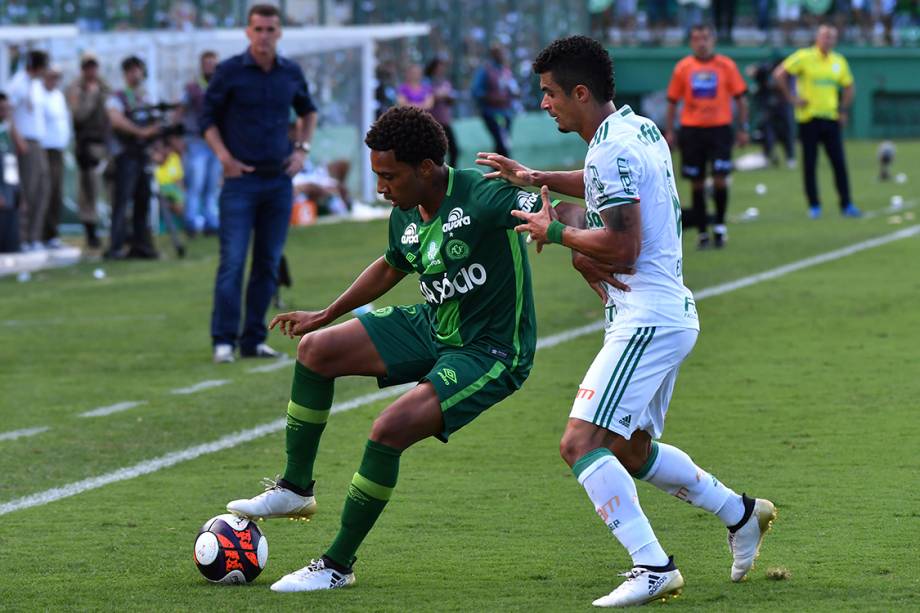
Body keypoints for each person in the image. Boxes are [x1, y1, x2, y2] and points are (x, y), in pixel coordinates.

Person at [476, 35, 775, 608]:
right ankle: (741, 514)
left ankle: (653, 566)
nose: (544, 103)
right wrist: (534, 177)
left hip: (646, 318)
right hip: (664, 313)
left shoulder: (610, 149)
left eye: (549, 93)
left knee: (580, 442)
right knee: (630, 448)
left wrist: (556, 231)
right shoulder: (635, 128)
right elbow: (599, 187)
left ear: (580, 93)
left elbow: (624, 246)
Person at [224, 106, 544, 593]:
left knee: (387, 430)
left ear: (426, 168)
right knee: (316, 350)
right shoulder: (405, 212)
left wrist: (572, 237)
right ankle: (294, 489)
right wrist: (326, 313)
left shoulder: (481, 196)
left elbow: (546, 213)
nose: (380, 187)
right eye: (377, 175)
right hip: (436, 324)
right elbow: (392, 265)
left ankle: (336, 565)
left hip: (491, 349)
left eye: (389, 176)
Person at [201, 3, 318, 364]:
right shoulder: (229, 72)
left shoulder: (290, 72)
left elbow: (308, 110)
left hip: (278, 181)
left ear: (279, 33)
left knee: (267, 263)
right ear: (247, 32)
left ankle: (253, 339)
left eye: (270, 29)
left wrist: (301, 150)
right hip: (240, 182)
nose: (264, 36)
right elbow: (206, 119)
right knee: (233, 261)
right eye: (258, 29)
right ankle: (224, 340)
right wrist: (224, 158)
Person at [665, 24, 749, 249]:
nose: (701, 43)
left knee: (720, 178)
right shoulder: (683, 68)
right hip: (692, 131)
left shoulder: (726, 66)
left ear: (713, 41)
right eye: (696, 39)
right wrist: (671, 131)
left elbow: (741, 98)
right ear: (691, 43)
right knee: (697, 183)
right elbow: (672, 100)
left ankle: (720, 226)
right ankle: (702, 232)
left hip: (719, 130)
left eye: (705, 38)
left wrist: (743, 128)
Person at [774, 24, 860, 219]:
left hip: (831, 117)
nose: (828, 40)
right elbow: (780, 74)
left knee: (838, 163)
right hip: (809, 118)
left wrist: (843, 109)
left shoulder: (838, 61)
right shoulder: (804, 57)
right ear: (817, 38)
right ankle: (814, 206)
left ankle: (846, 204)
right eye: (825, 36)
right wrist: (792, 98)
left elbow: (849, 86)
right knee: (810, 164)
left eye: (831, 37)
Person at [105, 55, 161, 260]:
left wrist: (156, 146)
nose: (134, 74)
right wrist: (141, 132)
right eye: (130, 70)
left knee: (143, 200)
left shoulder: (146, 98)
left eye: (137, 69)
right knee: (122, 201)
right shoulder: (118, 97)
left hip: (143, 156)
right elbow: (115, 120)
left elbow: (156, 123)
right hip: (125, 155)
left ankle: (141, 244)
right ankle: (116, 245)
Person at [66, 51, 110, 249]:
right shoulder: (76, 88)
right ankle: (91, 231)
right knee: (89, 190)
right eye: (88, 67)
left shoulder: (103, 85)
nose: (91, 70)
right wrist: (91, 96)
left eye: (94, 66)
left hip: (105, 143)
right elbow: (78, 116)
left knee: (107, 188)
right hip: (87, 145)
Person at [8, 50, 49, 252]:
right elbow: (8, 114)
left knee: (42, 190)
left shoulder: (37, 85)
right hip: (26, 144)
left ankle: (35, 237)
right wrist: (18, 140)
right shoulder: (18, 83)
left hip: (38, 143)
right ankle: (22, 237)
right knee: (28, 191)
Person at [179, 50, 221, 237]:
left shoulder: (222, 86)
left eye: (213, 63)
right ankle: (192, 220)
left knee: (212, 184)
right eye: (207, 63)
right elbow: (180, 110)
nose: (210, 66)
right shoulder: (192, 88)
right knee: (195, 183)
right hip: (197, 141)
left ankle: (211, 221)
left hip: (217, 143)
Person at [40, 65, 71, 249]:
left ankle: (52, 234)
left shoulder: (58, 96)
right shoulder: (40, 95)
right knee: (45, 192)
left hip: (58, 149)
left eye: (57, 77)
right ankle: (41, 234)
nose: (55, 81)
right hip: (46, 149)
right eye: (52, 77)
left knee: (57, 193)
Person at [471, 44, 517, 157]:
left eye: (503, 52)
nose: (502, 55)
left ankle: (496, 170)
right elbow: (476, 91)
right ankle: (503, 169)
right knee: (501, 143)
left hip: (506, 112)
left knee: (503, 142)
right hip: (491, 113)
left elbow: (513, 89)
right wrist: (492, 98)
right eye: (499, 53)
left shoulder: (505, 71)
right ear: (492, 54)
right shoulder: (485, 71)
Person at [424, 58, 458, 168]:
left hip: (445, 121)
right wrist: (441, 95)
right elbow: (428, 97)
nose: (441, 69)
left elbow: (451, 99)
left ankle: (452, 173)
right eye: (439, 67)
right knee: (434, 151)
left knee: (454, 149)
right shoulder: (427, 82)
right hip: (432, 122)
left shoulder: (445, 82)